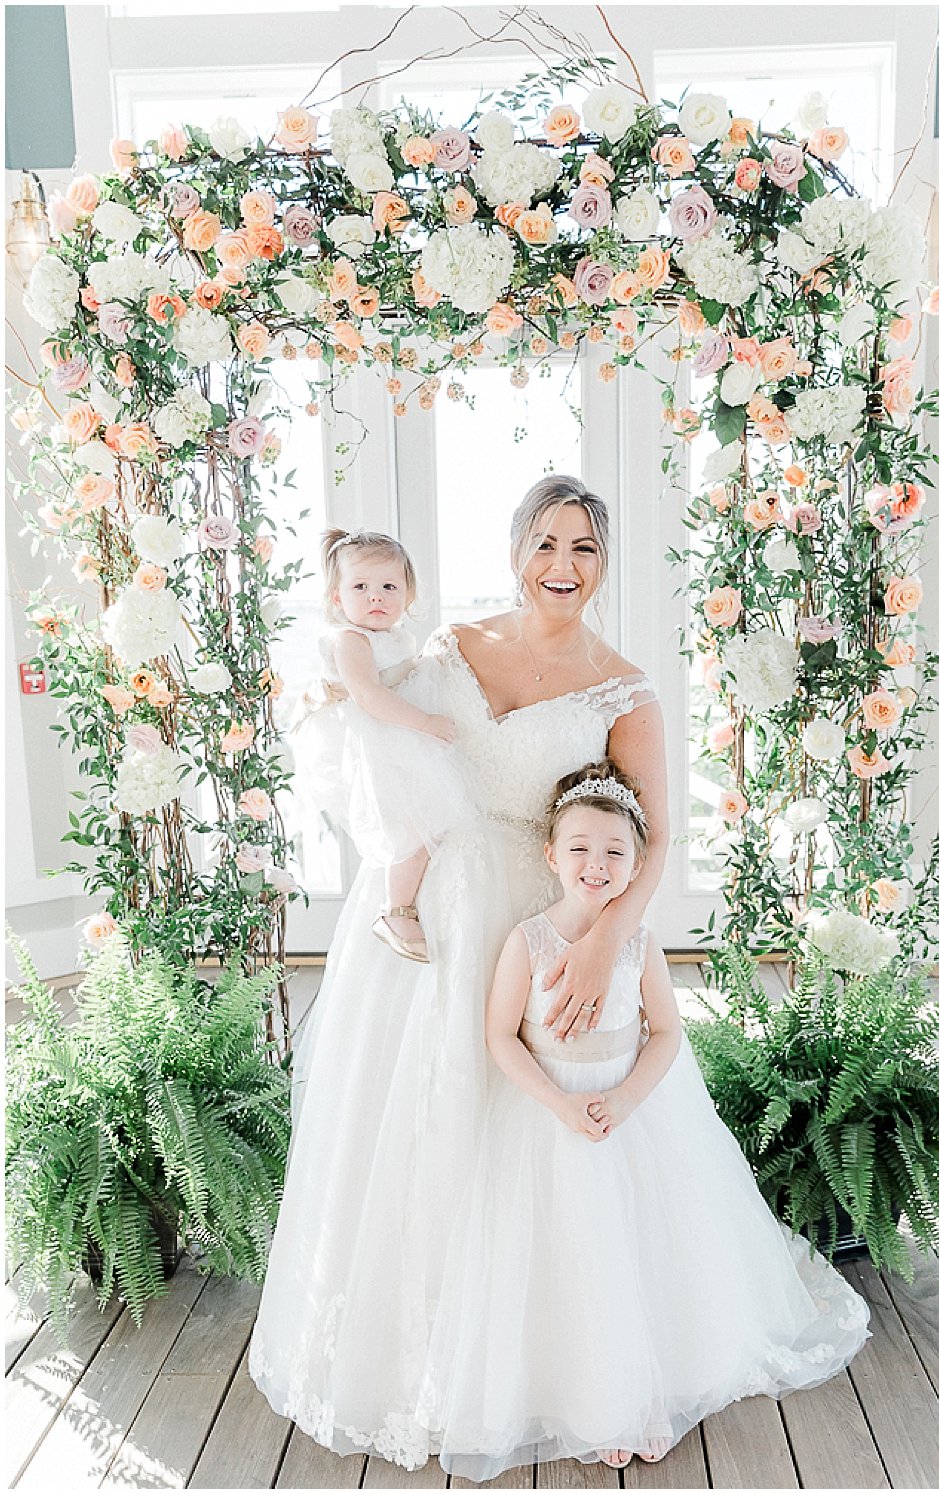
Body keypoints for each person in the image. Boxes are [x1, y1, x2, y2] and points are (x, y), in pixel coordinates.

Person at [249, 476, 668, 1471]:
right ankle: (420, 1357)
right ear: (515, 548)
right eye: (546, 544)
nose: (562, 567)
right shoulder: (452, 649)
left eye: (583, 549)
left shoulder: (624, 687)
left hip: (547, 912)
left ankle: (567, 1360)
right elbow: (380, 740)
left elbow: (652, 838)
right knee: (420, 1116)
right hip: (439, 909)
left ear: (602, 565)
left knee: (540, 1131)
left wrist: (602, 942)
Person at [418, 760, 871, 1482]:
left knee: (639, 1248)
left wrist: (627, 1098)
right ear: (550, 855)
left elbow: (666, 1033)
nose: (596, 865)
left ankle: (646, 1390)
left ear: (635, 865)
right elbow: (500, 1037)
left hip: (631, 1114)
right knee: (571, 1255)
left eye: (614, 852)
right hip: (548, 1121)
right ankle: (590, 1399)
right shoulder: (527, 943)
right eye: (580, 848)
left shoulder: (638, 944)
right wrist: (560, 1103)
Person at [292, 527, 468, 962]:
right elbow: (370, 697)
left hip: (396, 734)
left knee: (431, 820)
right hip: (377, 741)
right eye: (360, 587)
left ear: (408, 593)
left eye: (389, 587)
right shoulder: (350, 640)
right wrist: (425, 721)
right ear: (337, 599)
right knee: (411, 827)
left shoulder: (391, 636)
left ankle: (415, 901)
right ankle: (396, 911)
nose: (376, 597)